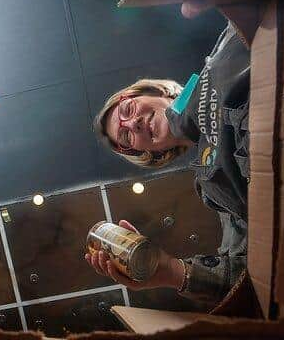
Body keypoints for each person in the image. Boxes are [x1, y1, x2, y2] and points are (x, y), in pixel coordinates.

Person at [86, 18, 250, 305]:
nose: (133, 123)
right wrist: (169, 271)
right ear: (152, 154)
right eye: (126, 137)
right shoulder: (210, 185)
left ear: (157, 91)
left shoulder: (220, 57)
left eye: (129, 108)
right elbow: (248, 274)